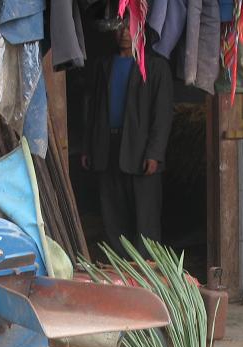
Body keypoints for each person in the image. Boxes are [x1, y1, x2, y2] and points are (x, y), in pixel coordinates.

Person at [81, 19, 173, 257]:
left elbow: (162, 115)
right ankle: (120, 269)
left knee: (146, 218)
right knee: (113, 213)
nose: (124, 33)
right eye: (120, 27)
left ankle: (148, 273)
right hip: (108, 146)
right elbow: (93, 110)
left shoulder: (156, 68)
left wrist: (155, 153)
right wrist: (88, 147)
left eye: (130, 27)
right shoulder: (104, 66)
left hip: (140, 150)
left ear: (142, 31)